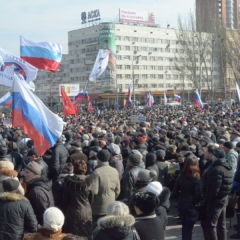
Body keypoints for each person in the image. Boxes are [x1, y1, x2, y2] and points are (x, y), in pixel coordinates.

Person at [203, 148, 233, 240]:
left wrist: (207, 201)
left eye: (213, 155)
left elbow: (214, 189)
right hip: (224, 198)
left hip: (216, 201)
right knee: (222, 224)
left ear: (215, 156)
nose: (211, 157)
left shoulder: (216, 169)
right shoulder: (228, 166)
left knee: (211, 225)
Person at [62, 160, 93, 239]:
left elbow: (65, 199)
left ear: (74, 169)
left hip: (72, 211)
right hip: (86, 211)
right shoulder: (89, 182)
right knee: (86, 234)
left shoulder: (68, 182)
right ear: (85, 169)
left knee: (71, 235)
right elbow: (91, 198)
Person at [173, 158, 201, 240]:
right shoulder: (195, 178)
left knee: (184, 227)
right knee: (189, 228)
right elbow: (197, 194)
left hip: (182, 203)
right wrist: (195, 202)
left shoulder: (180, 176)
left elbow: (175, 191)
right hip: (191, 205)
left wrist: (180, 198)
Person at [91, 149, 120, 223]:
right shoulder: (115, 171)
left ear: (98, 158)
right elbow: (118, 190)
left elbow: (94, 191)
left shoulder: (96, 172)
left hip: (98, 209)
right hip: (111, 206)